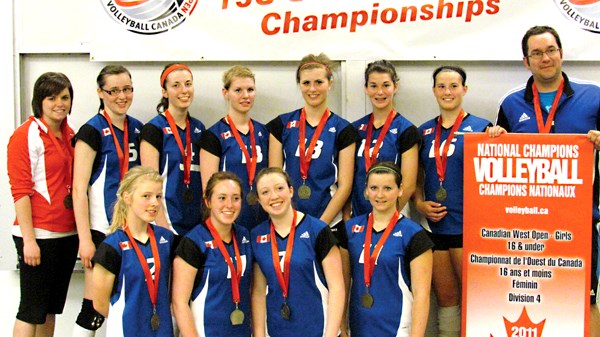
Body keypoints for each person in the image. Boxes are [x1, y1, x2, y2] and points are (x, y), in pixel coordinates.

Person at [488, 25, 600, 336]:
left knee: (585, 300)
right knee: (530, 300)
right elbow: (499, 160)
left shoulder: (594, 96)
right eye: (536, 53)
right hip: (526, 226)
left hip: (578, 223)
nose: (545, 58)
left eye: (550, 50)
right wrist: (496, 139)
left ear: (561, 54)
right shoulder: (511, 103)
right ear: (526, 62)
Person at [414, 66, 491, 337]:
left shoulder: (482, 128)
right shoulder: (423, 132)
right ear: (434, 91)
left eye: (454, 86)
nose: (448, 92)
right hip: (435, 229)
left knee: (476, 297)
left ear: (464, 90)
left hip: (468, 227)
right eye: (442, 86)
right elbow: (415, 178)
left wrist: (498, 137)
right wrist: (420, 204)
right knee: (446, 300)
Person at [71, 65, 143, 337]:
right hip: (101, 231)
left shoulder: (137, 129)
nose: (121, 96)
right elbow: (79, 190)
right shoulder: (91, 131)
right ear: (100, 92)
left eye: (127, 89)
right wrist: (85, 239)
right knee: (94, 309)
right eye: (113, 91)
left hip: (132, 231)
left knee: (125, 305)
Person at [8, 72, 78, 337]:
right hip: (39, 235)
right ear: (40, 101)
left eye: (65, 97)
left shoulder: (70, 133)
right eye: (52, 98)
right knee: (31, 309)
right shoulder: (25, 135)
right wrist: (29, 240)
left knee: (50, 310)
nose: (59, 103)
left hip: (67, 234)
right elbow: (21, 191)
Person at [267, 53, 357, 236]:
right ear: (299, 85)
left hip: (329, 224)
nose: (312, 89)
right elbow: (273, 179)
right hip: (287, 222)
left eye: (319, 82)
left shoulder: (344, 130)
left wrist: (320, 226)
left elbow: (345, 185)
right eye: (306, 83)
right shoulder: (280, 125)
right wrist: (285, 218)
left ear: (330, 83)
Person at [340, 161, 433, 337]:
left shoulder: (414, 235)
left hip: (397, 329)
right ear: (366, 191)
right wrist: (342, 329)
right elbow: (342, 285)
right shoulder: (350, 230)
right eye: (374, 188)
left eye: (388, 188)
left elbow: (422, 295)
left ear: (400, 190)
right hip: (358, 328)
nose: (380, 195)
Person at [250, 167, 344, 337]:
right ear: (258, 199)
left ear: (291, 191)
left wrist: (330, 334)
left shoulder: (318, 230)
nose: (274, 196)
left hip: (318, 330)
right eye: (265, 192)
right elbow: (258, 291)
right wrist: (259, 334)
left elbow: (337, 288)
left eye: (279, 188)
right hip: (277, 330)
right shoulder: (257, 236)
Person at [92, 166, 174, 337]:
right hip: (126, 330)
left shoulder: (166, 239)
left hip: (162, 330)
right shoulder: (112, 247)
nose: (155, 203)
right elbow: (100, 303)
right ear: (127, 197)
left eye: (158, 196)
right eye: (146, 196)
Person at [172, 171, 252, 337]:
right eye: (222, 198)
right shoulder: (193, 242)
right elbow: (179, 303)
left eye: (235, 198)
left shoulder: (245, 236)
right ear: (208, 201)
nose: (229, 205)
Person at [200, 65, 269, 230]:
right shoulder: (213, 135)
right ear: (226, 93)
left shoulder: (264, 132)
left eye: (250, 90)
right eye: (238, 90)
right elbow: (208, 191)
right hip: (229, 222)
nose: (246, 96)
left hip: (263, 220)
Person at [140, 63, 205, 237]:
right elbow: (149, 184)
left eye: (188, 84)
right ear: (164, 91)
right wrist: (163, 228)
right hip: (167, 221)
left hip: (195, 222)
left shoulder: (199, 128)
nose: (184, 90)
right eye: (176, 85)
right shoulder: (153, 129)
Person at [349, 60, 420, 218]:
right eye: (373, 86)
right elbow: (347, 179)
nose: (380, 92)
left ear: (395, 87)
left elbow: (408, 185)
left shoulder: (406, 130)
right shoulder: (354, 129)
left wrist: (385, 217)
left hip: (393, 216)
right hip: (358, 216)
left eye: (386, 85)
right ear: (366, 88)